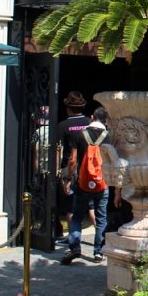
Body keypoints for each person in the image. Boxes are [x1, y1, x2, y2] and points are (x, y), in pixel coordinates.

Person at [62, 106, 110, 264]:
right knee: (101, 218)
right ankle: (98, 252)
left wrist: (68, 178)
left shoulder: (79, 134)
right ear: (106, 121)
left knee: (77, 216)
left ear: (91, 117)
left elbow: (72, 159)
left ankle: (75, 247)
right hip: (101, 182)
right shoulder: (108, 136)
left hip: (82, 182)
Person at [56, 91, 91, 240]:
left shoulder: (63, 126)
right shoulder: (90, 123)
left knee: (70, 205)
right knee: (92, 205)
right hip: (89, 167)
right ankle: (99, 240)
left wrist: (58, 170)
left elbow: (59, 149)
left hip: (69, 168)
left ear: (68, 108)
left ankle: (73, 238)